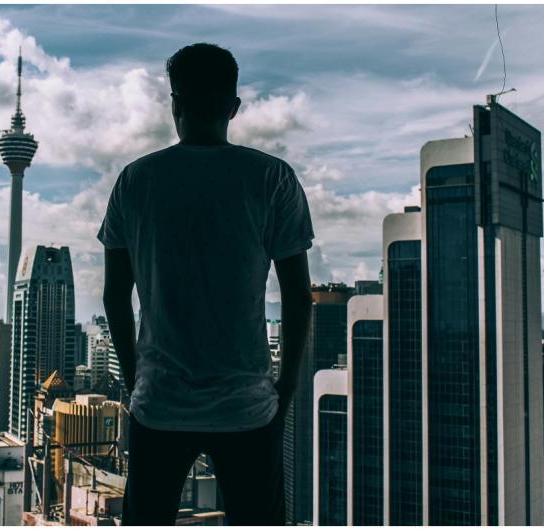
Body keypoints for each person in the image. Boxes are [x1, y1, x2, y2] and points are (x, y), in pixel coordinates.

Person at [97, 42, 314, 526]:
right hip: (248, 406)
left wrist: (136, 384)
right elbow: (299, 297)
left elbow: (115, 295)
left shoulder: (135, 180)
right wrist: (287, 387)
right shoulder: (272, 178)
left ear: (174, 102)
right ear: (234, 107)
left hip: (159, 404)